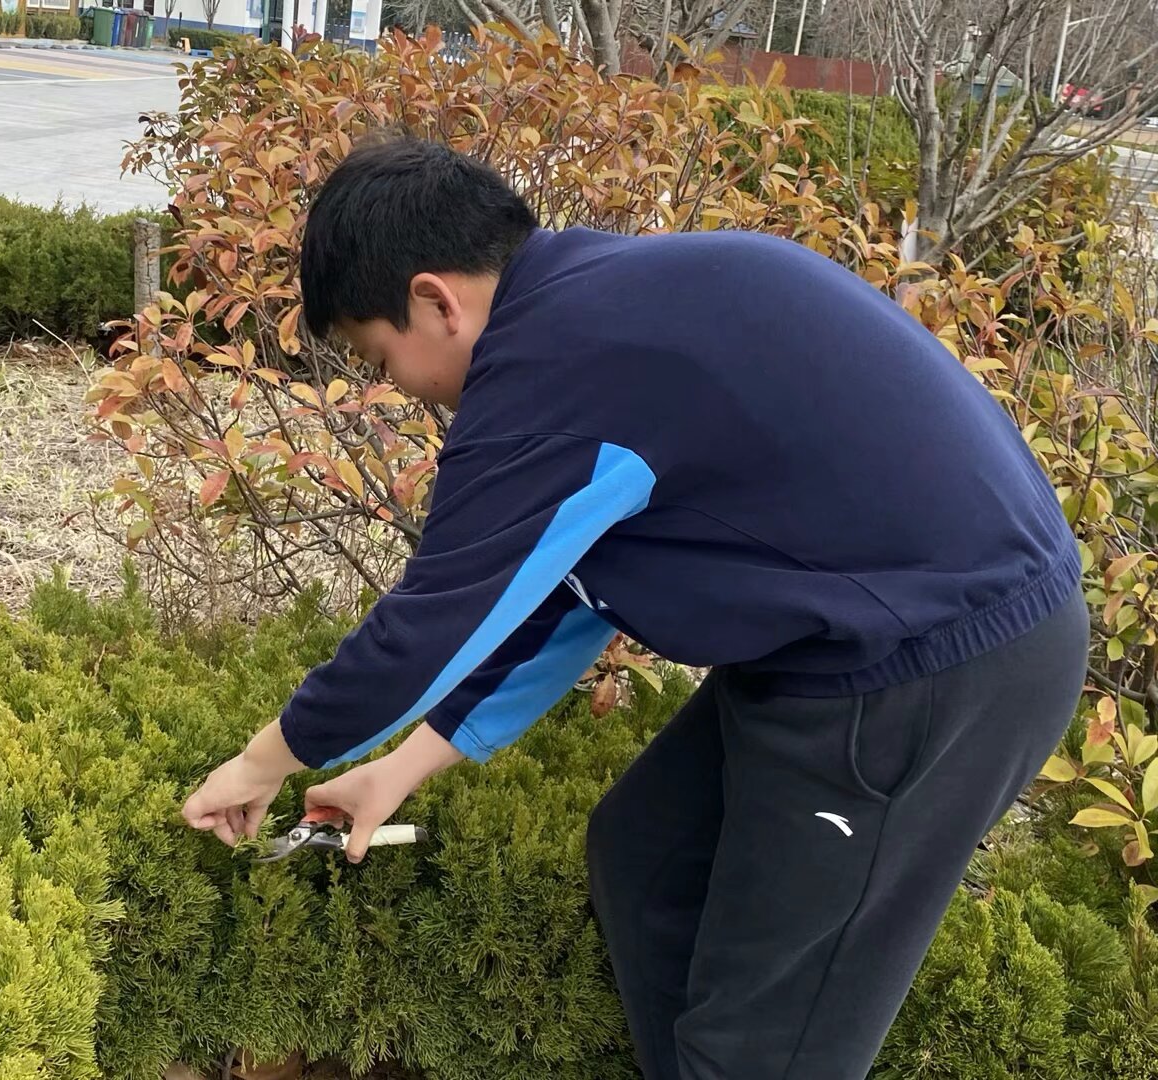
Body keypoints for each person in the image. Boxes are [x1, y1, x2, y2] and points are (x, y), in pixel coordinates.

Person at [180, 134, 1090, 1080]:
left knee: (761, 1053)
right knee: (646, 863)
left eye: (380, 356)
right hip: (858, 637)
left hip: (936, 664)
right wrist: (398, 771)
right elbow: (563, 597)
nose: (397, 388)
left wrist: (260, 764)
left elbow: (425, 630)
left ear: (435, 301)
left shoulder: (550, 374)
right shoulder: (594, 309)